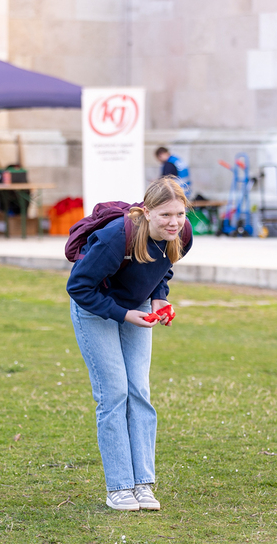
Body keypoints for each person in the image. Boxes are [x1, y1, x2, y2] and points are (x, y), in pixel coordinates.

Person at [66, 177, 193, 511]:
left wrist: (159, 298)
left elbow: (162, 269)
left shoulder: (182, 234)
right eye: (165, 215)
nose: (174, 222)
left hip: (136, 308)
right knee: (114, 394)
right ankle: (119, 487)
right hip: (95, 308)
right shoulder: (116, 238)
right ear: (147, 212)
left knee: (139, 391)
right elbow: (78, 286)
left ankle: (143, 485)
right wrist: (122, 315)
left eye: (180, 214)